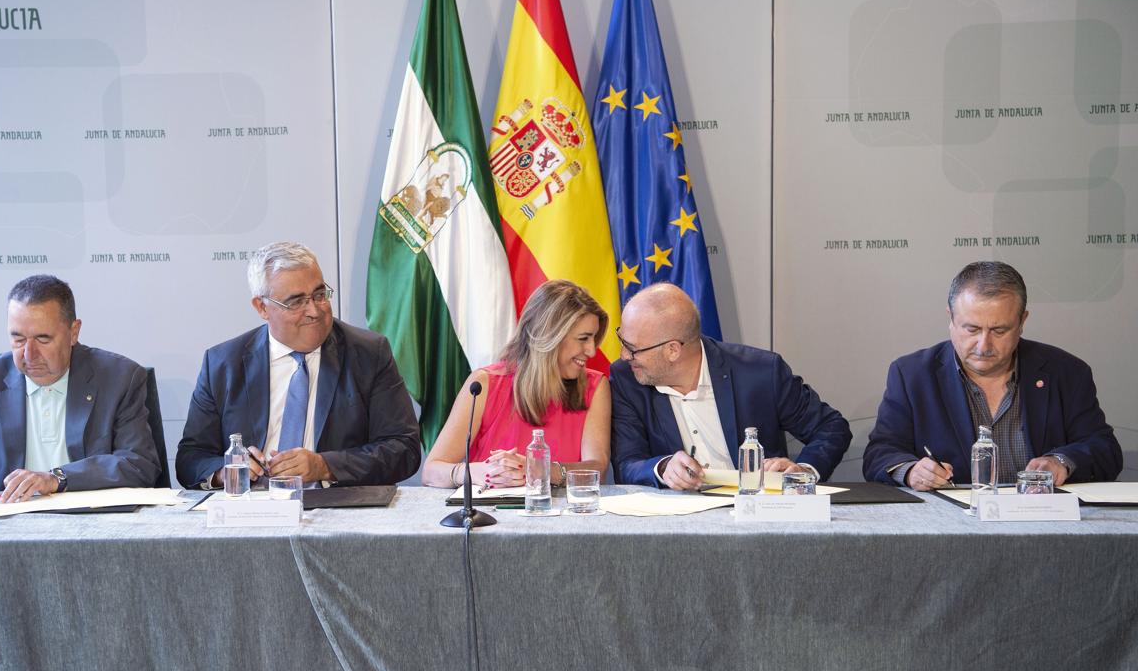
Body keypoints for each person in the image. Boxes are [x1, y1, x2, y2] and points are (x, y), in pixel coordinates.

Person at [176, 241, 419, 489]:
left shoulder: (368, 354)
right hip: (251, 512)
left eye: (319, 295)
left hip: (337, 511)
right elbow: (191, 459)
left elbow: (403, 449)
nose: (314, 310)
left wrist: (325, 466)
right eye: (296, 302)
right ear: (262, 307)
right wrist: (224, 472)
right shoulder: (223, 363)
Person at [863, 261, 1122, 489]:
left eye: (999, 331)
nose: (983, 346)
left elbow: (1105, 449)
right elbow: (880, 453)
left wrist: (1062, 462)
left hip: (1043, 519)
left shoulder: (1066, 372)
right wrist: (910, 471)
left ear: (1022, 322)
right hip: (951, 526)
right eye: (972, 329)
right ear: (950, 319)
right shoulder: (912, 375)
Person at [0, 275, 159, 503]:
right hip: (6, 525)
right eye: (18, 339)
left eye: (43, 339)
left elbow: (138, 464)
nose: (29, 354)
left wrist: (56, 479)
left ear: (74, 332)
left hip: (92, 523)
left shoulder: (119, 378)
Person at [611, 283, 851, 490]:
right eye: (623, 340)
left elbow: (831, 428)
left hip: (758, 517)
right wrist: (662, 468)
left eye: (633, 348)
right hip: (678, 524)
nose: (623, 355)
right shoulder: (627, 380)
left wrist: (802, 472)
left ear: (673, 349)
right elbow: (627, 463)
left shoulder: (761, 373)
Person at [421, 279, 611, 489]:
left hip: (565, 516)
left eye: (593, 338)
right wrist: (470, 471)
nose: (592, 351)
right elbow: (431, 472)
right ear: (548, 335)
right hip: (490, 518)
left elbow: (598, 470)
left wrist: (539, 468)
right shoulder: (484, 384)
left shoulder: (595, 386)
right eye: (583, 338)